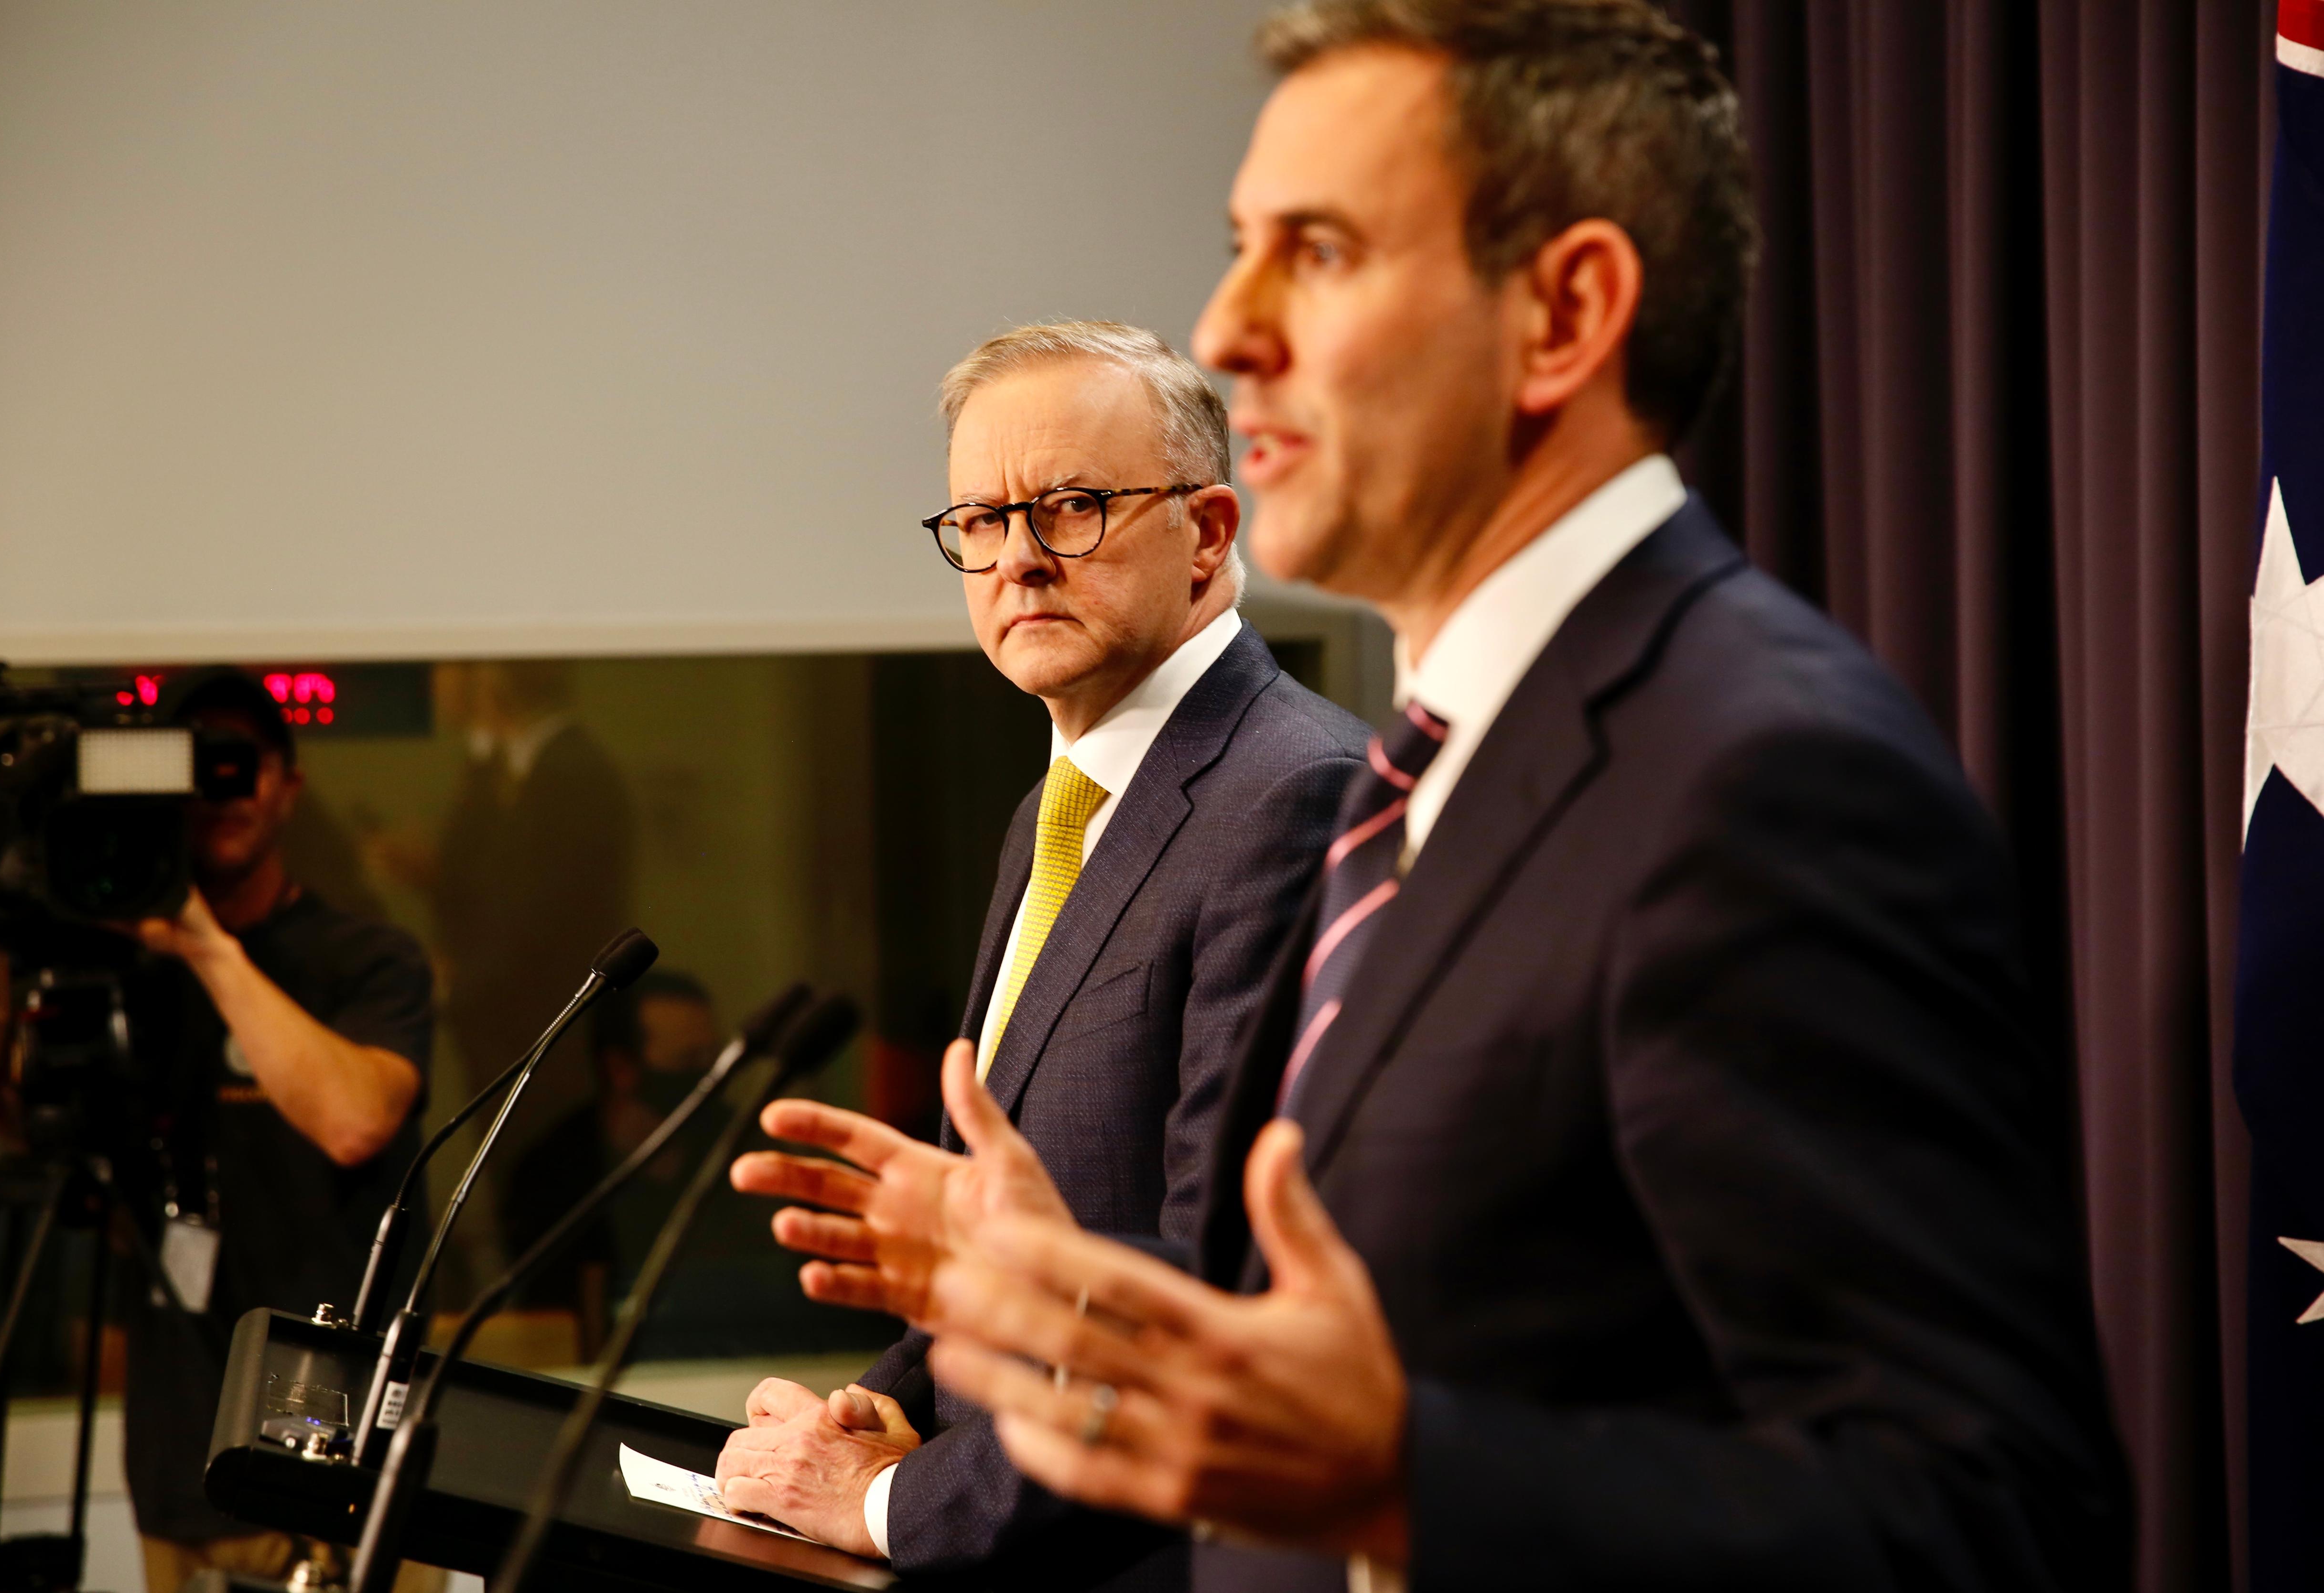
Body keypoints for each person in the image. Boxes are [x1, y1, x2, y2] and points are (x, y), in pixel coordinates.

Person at [733, 5, 2132, 1591]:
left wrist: (1406, 1474)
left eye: (1317, 252)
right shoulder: (1445, 767)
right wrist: (1061, 1310)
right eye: (1241, 247)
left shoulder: (1761, 770)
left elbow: (1994, 1514)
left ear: (1565, 315)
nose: (1231, 324)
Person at [715, 321, 1369, 1585]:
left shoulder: (1293, 793)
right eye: (980, 520)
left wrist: (903, 1500)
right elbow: (1001, 1217)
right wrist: (881, 1400)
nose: (1016, 558)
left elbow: (1218, 1301)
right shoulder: (1058, 801)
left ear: (1213, 533)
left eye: (1071, 507)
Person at [0, 669, 439, 1593]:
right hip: (180, 1456)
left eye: (236, 764)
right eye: (191, 769)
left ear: (290, 782)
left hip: (340, 1459)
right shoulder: (115, 965)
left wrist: (204, 943)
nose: (218, 792)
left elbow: (356, 1120)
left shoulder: (366, 957)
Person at [500, 968, 722, 1351]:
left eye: (712, 1055)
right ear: (621, 1068)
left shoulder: (733, 1143)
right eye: (688, 1059)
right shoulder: (555, 1172)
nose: (709, 1074)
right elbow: (554, 1323)